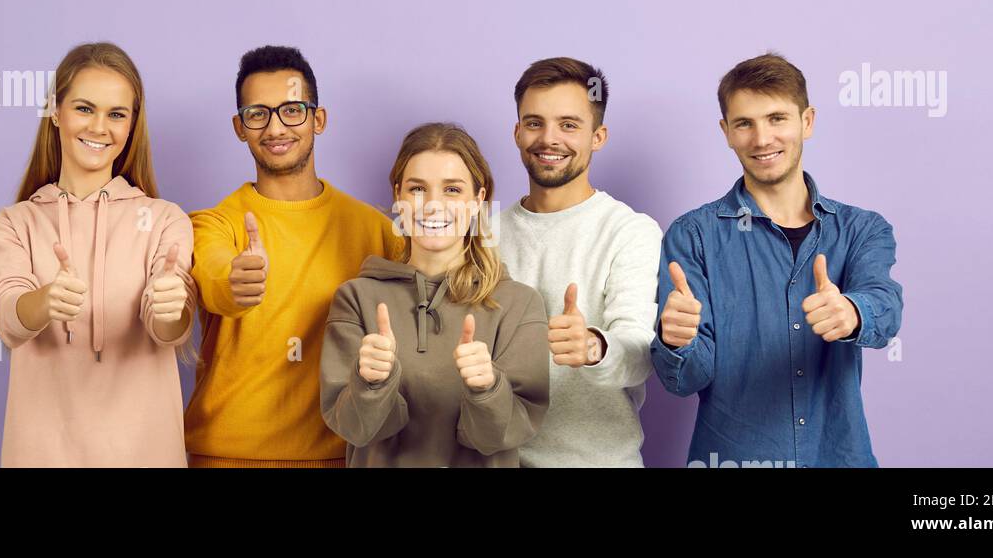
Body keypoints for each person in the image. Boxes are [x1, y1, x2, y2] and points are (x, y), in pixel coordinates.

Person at [652, 53, 904, 468]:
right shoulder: (692, 235)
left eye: (776, 119)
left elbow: (886, 306)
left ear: (807, 122)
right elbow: (685, 380)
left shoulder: (863, 229)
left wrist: (853, 312)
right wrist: (676, 341)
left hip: (838, 456)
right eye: (744, 123)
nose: (762, 139)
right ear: (726, 132)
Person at [183, 46, 401, 468]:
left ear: (318, 119)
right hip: (225, 455)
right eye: (257, 114)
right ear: (239, 127)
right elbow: (214, 278)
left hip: (341, 453)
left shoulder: (377, 231)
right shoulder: (213, 224)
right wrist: (234, 283)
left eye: (292, 110)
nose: (275, 127)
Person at [0, 42, 195, 467]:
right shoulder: (12, 224)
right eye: (84, 108)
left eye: (117, 114)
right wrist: (44, 300)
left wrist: (173, 306)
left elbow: (168, 327)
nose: (100, 127)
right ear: (56, 113)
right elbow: (7, 316)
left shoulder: (166, 220)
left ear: (132, 126)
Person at [320, 122, 549, 467]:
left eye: (453, 190)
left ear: (478, 200)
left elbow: (501, 437)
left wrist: (487, 388)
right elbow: (356, 430)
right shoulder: (356, 299)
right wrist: (370, 384)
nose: (432, 205)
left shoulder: (519, 304)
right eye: (417, 189)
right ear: (398, 196)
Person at [491, 57, 663, 467]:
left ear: (597, 135)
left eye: (569, 125)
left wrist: (593, 346)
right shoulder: (481, 233)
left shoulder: (630, 232)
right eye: (534, 123)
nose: (549, 139)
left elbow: (639, 353)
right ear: (516, 132)